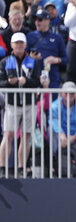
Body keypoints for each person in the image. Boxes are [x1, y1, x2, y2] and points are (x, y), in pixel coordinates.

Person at [0, 32, 40, 177]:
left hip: (29, 103)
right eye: (16, 43)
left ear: (25, 45)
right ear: (11, 45)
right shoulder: (4, 62)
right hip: (12, 103)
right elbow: (1, 82)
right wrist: (11, 83)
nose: (19, 46)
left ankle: (22, 167)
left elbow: (37, 82)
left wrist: (26, 81)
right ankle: (2, 167)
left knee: (26, 135)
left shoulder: (33, 62)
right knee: (8, 134)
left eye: (21, 43)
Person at [49, 81, 76, 176]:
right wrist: (61, 133)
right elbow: (53, 121)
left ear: (75, 94)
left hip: (74, 137)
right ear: (62, 93)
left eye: (72, 93)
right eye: (66, 93)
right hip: (60, 137)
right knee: (51, 132)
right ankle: (54, 163)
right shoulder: (54, 105)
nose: (69, 95)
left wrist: (74, 136)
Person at [26, 8, 68, 89]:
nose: (37, 22)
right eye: (36, 19)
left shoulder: (57, 38)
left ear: (47, 21)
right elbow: (22, 57)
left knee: (52, 100)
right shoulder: (30, 36)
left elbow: (65, 59)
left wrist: (56, 60)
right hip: (34, 77)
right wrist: (31, 58)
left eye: (40, 19)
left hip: (52, 77)